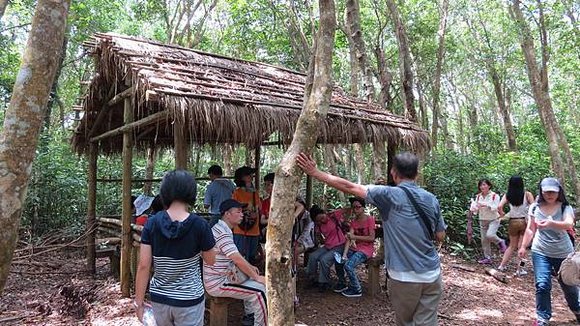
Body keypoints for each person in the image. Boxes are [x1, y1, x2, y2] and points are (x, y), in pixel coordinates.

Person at [297, 151, 446, 326]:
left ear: (393, 172)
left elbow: (351, 187)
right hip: (432, 274)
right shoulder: (431, 199)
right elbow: (440, 235)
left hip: (405, 276)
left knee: (406, 322)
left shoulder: (389, 195)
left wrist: (316, 173)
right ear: (417, 173)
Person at [134, 170, 216, 326]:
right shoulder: (200, 225)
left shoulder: (151, 223)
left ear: (165, 192)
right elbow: (211, 260)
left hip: (160, 298)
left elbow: (144, 266)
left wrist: (139, 303)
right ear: (191, 192)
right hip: (189, 299)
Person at [518, 177, 580, 326]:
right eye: (546, 192)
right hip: (540, 251)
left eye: (553, 192)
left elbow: (568, 223)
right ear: (542, 191)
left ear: (559, 192)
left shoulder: (565, 207)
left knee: (569, 286)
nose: (549, 195)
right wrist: (523, 246)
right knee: (542, 284)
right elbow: (530, 229)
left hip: (564, 253)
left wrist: (552, 223)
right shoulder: (534, 207)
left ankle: (577, 310)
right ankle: (542, 318)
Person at [203, 199, 267, 326]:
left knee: (254, 280)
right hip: (218, 282)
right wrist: (257, 277)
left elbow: (236, 258)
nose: (242, 214)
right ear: (227, 214)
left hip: (223, 277)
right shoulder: (222, 233)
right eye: (238, 212)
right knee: (259, 292)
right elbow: (236, 258)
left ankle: (250, 317)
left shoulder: (222, 228)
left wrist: (250, 268)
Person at [334, 197, 376, 298]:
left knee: (348, 265)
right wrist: (344, 255)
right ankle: (342, 282)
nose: (356, 209)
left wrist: (355, 237)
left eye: (358, 207)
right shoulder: (353, 221)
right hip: (355, 248)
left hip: (366, 250)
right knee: (338, 260)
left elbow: (372, 238)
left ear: (363, 208)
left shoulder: (370, 219)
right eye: (354, 207)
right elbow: (349, 237)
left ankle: (356, 289)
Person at [497, 176, 535, 275]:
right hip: (524, 222)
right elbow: (534, 207)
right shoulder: (527, 194)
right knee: (522, 247)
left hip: (512, 222)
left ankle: (502, 265)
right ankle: (520, 269)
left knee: (511, 246)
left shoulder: (507, 195)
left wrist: (502, 215)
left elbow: (499, 206)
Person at [306, 205, 347, 292]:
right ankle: (312, 278)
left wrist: (336, 212)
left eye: (322, 217)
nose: (322, 220)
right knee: (313, 256)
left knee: (324, 260)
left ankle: (324, 282)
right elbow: (319, 237)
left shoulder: (333, 216)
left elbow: (347, 210)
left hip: (340, 245)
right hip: (328, 246)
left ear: (324, 213)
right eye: (318, 220)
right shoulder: (318, 225)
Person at [469, 179, 507, 264]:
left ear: (489, 186)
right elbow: (475, 210)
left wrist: (485, 204)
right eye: (481, 185)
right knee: (484, 240)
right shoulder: (478, 196)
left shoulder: (494, 196)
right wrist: (474, 208)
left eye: (484, 185)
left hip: (494, 219)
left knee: (490, 235)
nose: (482, 187)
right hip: (482, 219)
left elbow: (496, 207)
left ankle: (500, 242)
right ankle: (487, 258)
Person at [232, 166, 262, 264]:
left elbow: (259, 209)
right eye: (248, 175)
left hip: (253, 229)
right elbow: (233, 209)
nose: (251, 177)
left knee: (252, 258)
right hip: (240, 230)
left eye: (251, 175)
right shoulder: (237, 193)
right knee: (240, 257)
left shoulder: (255, 193)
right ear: (242, 177)